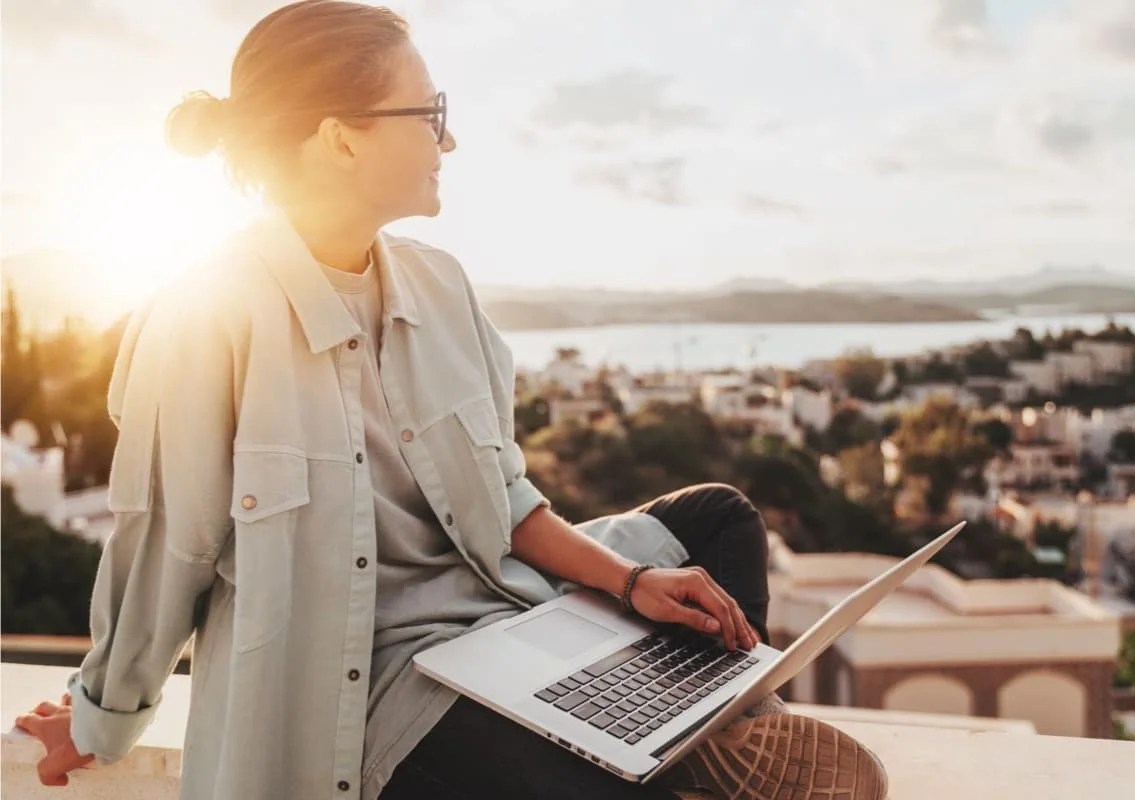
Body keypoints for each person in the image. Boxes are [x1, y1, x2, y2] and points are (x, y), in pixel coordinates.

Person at [13, 2, 886, 799]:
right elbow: (165, 551)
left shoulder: (442, 288)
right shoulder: (206, 317)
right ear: (342, 138)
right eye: (431, 115)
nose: (449, 142)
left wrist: (632, 580)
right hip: (392, 686)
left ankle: (686, 733)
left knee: (719, 521)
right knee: (589, 779)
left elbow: (505, 502)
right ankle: (690, 742)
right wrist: (100, 721)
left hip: (509, 616)